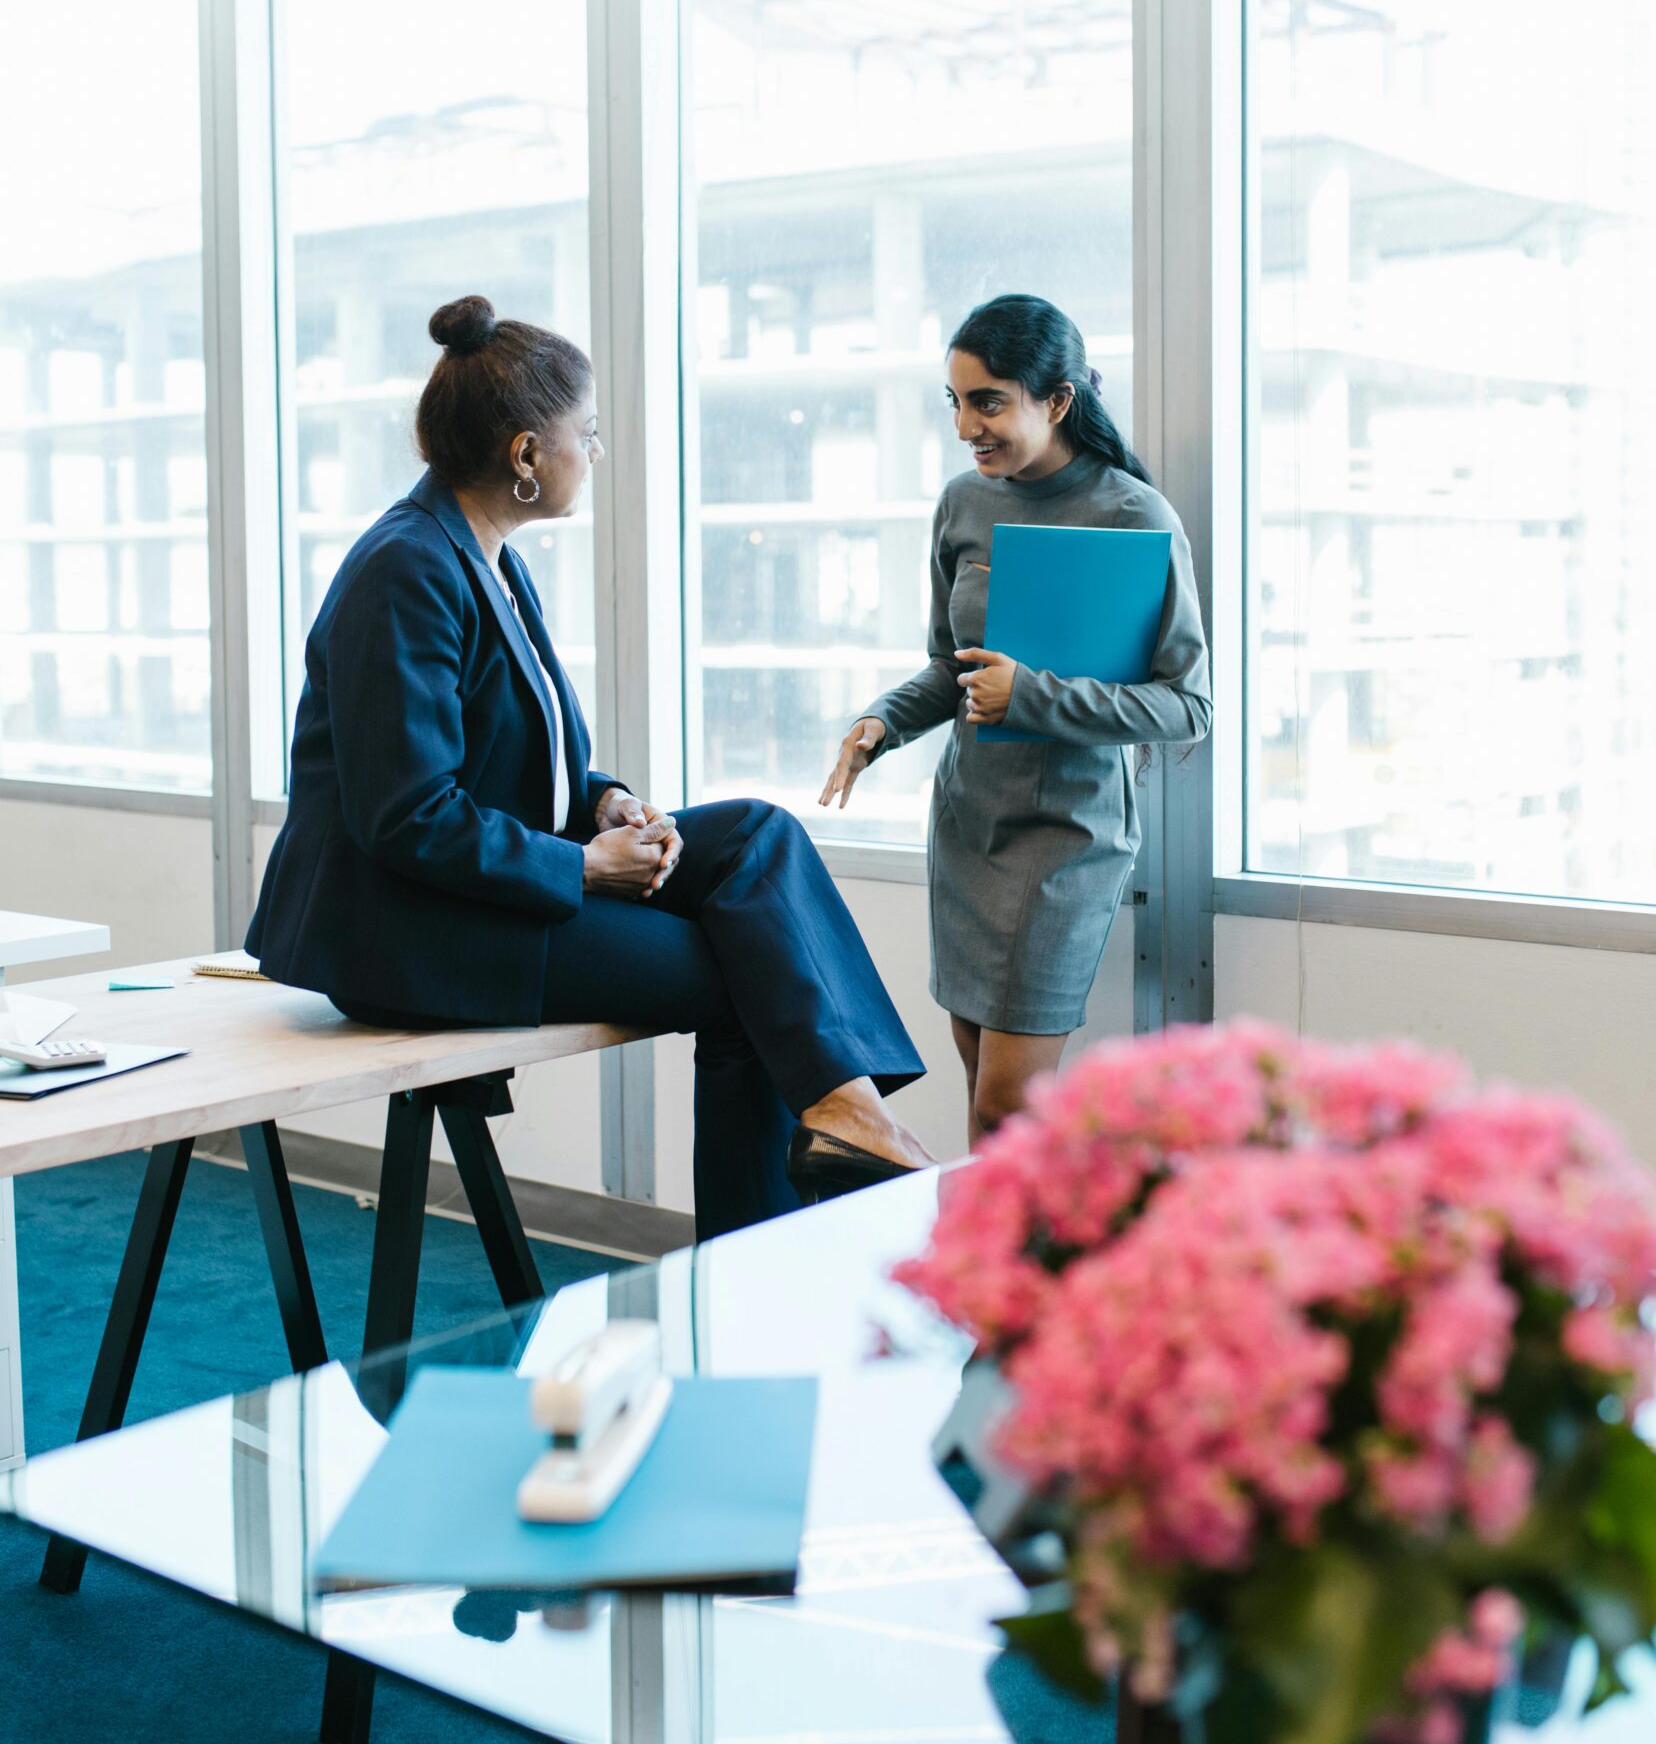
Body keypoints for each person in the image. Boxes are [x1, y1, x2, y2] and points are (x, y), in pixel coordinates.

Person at [248, 294, 930, 1236]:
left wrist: (602, 801)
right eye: (589, 433)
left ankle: (849, 1110)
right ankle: (761, 1251)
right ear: (526, 455)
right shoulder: (404, 570)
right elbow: (405, 816)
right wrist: (579, 866)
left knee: (758, 835)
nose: (597, 454)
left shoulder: (486, 553)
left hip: (473, 891)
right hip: (402, 930)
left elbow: (520, 752)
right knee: (745, 977)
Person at [820, 294, 1210, 1146]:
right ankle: (985, 1271)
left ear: (1058, 400)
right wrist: (881, 725)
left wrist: (1030, 695)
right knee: (978, 1092)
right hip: (969, 828)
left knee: (1009, 1110)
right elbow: (948, 667)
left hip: (1067, 840)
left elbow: (1185, 707)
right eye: (954, 402)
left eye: (988, 401)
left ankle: (1016, 1274)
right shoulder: (965, 503)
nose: (966, 426)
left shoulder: (1133, 516)